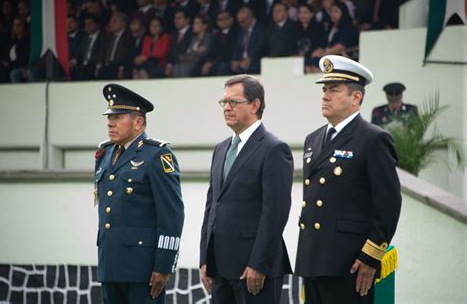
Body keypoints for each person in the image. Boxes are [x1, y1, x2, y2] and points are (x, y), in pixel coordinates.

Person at [294, 55, 402, 304]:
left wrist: (371, 257)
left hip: (350, 264)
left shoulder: (373, 139)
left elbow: (388, 204)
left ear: (356, 97)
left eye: (334, 89)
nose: (325, 95)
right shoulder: (313, 139)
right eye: (324, 89)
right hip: (313, 259)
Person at [200, 74, 293, 304]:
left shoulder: (274, 149)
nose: (226, 108)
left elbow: (275, 213)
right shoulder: (221, 149)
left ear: (255, 105)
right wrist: (205, 259)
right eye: (224, 102)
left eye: (234, 102)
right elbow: (212, 206)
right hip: (220, 267)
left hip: (253, 270)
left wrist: (258, 264)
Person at [94, 83, 185, 304]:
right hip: (110, 265)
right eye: (109, 117)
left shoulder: (157, 155)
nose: (110, 122)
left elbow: (172, 216)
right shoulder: (105, 154)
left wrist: (164, 266)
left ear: (139, 122)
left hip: (142, 270)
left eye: (118, 117)